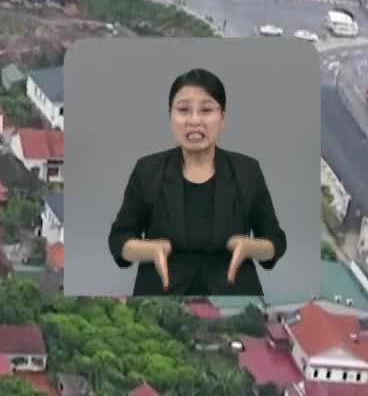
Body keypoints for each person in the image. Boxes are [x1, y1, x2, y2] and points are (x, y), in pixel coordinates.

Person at [107, 68, 287, 296]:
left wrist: (250, 247)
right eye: (183, 110)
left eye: (206, 110)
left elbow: (276, 241)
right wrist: (151, 250)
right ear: (170, 117)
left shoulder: (247, 170)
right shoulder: (148, 170)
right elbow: (119, 239)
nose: (194, 120)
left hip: (234, 294)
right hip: (161, 292)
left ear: (222, 118)